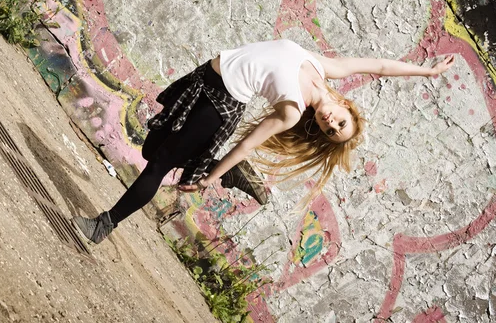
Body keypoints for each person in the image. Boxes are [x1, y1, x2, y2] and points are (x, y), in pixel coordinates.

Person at [73, 39, 455, 244]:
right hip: (203, 79)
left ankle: (103, 225)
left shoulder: (291, 110)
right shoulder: (325, 67)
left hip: (218, 105)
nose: (330, 122)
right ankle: (231, 174)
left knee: (158, 165)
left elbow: (248, 141)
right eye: (340, 121)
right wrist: (428, 71)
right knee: (151, 149)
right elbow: (381, 65)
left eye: (330, 130)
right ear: (345, 105)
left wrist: (211, 174)